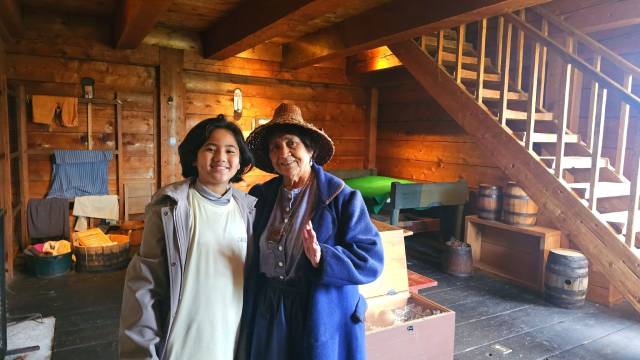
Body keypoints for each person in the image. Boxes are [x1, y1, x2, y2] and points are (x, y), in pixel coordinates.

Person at [238, 103, 384, 360]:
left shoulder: (341, 198)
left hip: (318, 312)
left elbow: (370, 260)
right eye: (275, 147)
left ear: (310, 149)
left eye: (291, 143)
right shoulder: (261, 196)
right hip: (269, 308)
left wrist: (323, 258)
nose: (283, 152)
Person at [119, 115, 255, 360]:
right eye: (210, 149)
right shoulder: (171, 207)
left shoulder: (249, 210)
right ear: (194, 156)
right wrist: (143, 351)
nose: (221, 158)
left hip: (230, 342)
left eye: (230, 150)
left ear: (240, 161)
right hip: (180, 345)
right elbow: (144, 285)